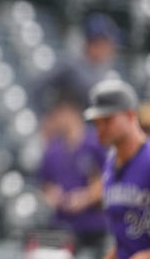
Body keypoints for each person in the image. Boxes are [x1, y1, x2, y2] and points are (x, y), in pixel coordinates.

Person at [83, 79, 150, 259]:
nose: (101, 128)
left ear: (130, 115)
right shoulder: (110, 165)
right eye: (96, 122)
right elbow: (124, 241)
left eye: (107, 119)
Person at [37, 99, 108, 256]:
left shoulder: (95, 143)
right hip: (61, 225)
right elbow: (44, 183)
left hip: (92, 224)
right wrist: (53, 195)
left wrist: (86, 197)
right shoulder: (53, 149)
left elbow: (109, 178)